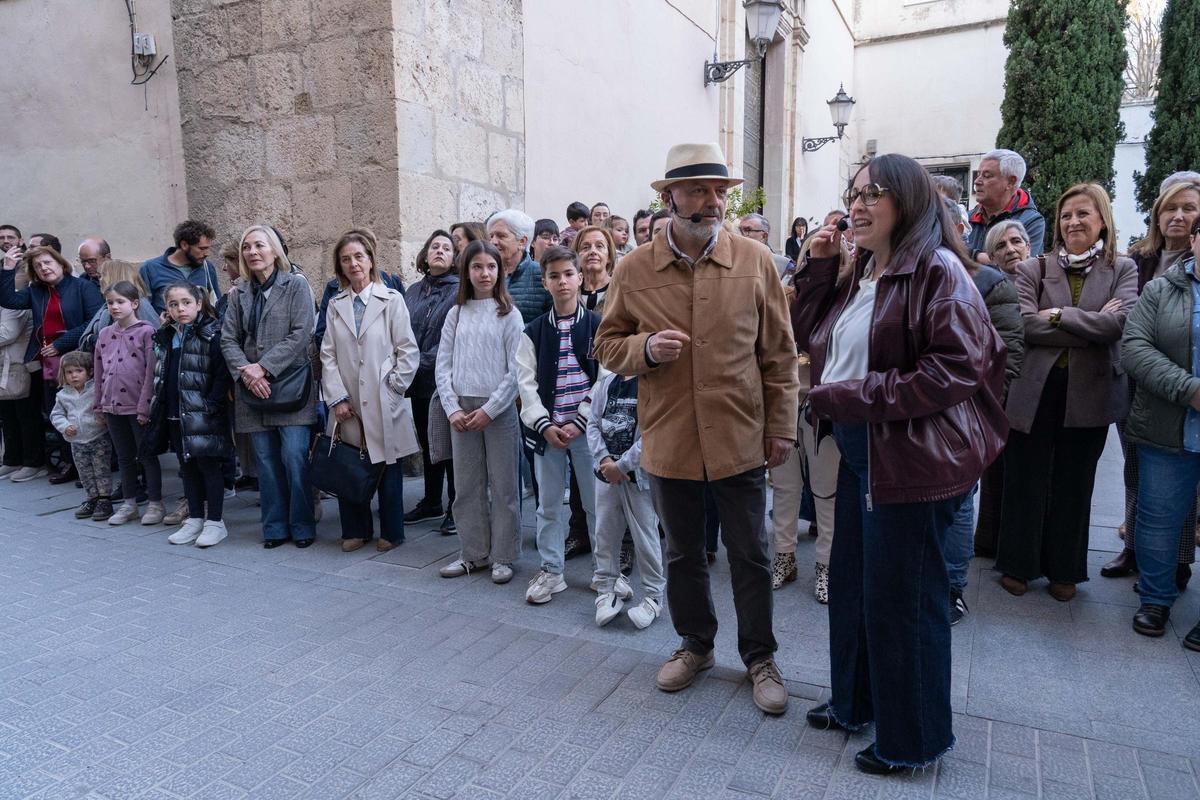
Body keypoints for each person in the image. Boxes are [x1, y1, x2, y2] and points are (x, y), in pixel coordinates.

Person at [792, 153, 1007, 774]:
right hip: (866, 449)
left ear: (907, 202)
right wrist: (822, 268)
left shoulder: (936, 268)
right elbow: (813, 338)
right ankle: (856, 701)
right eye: (853, 193)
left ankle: (911, 741)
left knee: (906, 601)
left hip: (914, 459)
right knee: (857, 586)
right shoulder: (866, 269)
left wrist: (850, 397)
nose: (857, 206)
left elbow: (955, 370)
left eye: (873, 195)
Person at [594, 142, 798, 717]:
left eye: (719, 192)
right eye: (699, 190)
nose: (712, 201)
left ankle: (760, 657)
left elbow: (780, 354)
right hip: (670, 437)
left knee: (752, 554)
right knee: (683, 553)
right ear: (670, 197)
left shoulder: (756, 260)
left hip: (740, 435)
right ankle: (696, 646)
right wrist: (646, 350)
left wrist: (780, 426)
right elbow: (606, 345)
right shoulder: (634, 269)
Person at [996, 183, 1137, 600]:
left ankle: (1064, 570)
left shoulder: (1123, 269)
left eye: (1083, 214)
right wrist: (1089, 323)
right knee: (1025, 478)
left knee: (1076, 482)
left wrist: (1057, 316)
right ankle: (1018, 564)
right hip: (1034, 391)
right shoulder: (1032, 269)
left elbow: (1118, 326)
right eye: (1066, 215)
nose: (1073, 222)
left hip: (1089, 393)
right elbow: (1024, 324)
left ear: (1102, 221)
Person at [1103, 179, 1200, 586]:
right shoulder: (1137, 260)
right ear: (1157, 215)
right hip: (1138, 382)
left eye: (1189, 208)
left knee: (1180, 481)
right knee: (1137, 470)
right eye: (1169, 208)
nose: (1178, 216)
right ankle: (1135, 548)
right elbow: (1121, 317)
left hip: (1185, 391)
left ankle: (1176, 559)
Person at [936, 196, 1025, 624]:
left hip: (964, 417)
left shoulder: (987, 281)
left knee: (958, 505)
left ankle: (952, 588)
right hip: (913, 417)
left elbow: (1008, 355)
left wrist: (979, 410)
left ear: (958, 230)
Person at [1121, 217, 1200, 648]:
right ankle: (1155, 599)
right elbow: (1135, 348)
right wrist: (1189, 390)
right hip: (1168, 425)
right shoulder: (1160, 289)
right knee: (1158, 519)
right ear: (1194, 240)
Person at [321, 230, 420, 553]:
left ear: (371, 259)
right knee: (350, 465)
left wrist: (393, 387)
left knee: (387, 468)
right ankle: (355, 529)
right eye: (346, 259)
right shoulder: (336, 305)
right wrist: (337, 397)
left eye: (359, 257)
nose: (353, 264)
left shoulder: (391, 300)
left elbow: (408, 350)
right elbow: (327, 354)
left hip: (383, 397)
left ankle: (392, 532)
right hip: (347, 399)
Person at [221, 225, 317, 549]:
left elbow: (302, 333)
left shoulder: (296, 285)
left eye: (259, 245)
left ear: (275, 250)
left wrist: (263, 368)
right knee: (265, 462)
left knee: (294, 457)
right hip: (252, 390)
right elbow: (228, 338)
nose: (252, 252)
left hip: (290, 386)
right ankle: (274, 527)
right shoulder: (238, 293)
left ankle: (302, 523)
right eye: (246, 247)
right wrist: (248, 373)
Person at [519, 246, 604, 604]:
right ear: (545, 283)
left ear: (580, 278)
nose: (563, 281)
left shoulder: (598, 326)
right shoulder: (533, 331)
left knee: (597, 504)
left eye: (568, 274)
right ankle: (552, 571)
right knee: (549, 504)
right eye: (554, 276)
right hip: (548, 433)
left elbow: (604, 379)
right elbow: (525, 384)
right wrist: (545, 425)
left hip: (586, 432)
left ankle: (606, 572)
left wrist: (581, 421)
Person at [436, 240, 524, 584]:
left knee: (504, 487)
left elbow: (517, 370)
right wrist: (452, 407)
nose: (484, 273)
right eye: (477, 267)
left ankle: (503, 555)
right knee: (467, 486)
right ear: (466, 272)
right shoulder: (456, 313)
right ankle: (473, 553)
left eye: (491, 267)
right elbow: (443, 365)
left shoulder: (509, 314)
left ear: (499, 271)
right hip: (462, 409)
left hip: (497, 411)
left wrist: (490, 409)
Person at [0, 245, 104, 484]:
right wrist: (7, 269)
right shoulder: (36, 290)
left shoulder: (82, 287)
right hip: (50, 361)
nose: (44, 268)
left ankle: (92, 465)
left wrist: (62, 343)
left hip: (79, 358)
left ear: (60, 263)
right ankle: (70, 462)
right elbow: (8, 299)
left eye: (47, 262)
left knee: (84, 411)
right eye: (38, 266)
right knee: (60, 410)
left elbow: (94, 321)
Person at [144, 283, 234, 547]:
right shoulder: (166, 335)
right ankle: (194, 517)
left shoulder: (211, 334)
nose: (180, 309)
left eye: (185, 302)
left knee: (208, 466)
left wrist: (211, 404)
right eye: (173, 304)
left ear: (198, 303)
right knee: (187, 468)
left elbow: (221, 374)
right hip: (175, 412)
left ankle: (215, 521)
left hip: (203, 413)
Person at [973, 220, 1034, 561]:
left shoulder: (1043, 277)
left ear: (1028, 245)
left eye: (1017, 241)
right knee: (993, 470)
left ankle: (1016, 546)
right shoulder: (989, 286)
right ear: (993, 256)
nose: (1011, 249)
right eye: (1001, 245)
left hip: (1033, 391)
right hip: (998, 389)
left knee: (1023, 473)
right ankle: (986, 540)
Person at [588, 370, 664, 628]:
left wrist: (623, 465)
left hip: (638, 478)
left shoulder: (652, 381)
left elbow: (653, 432)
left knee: (645, 535)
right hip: (606, 475)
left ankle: (654, 595)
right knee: (605, 534)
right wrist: (604, 460)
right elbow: (593, 424)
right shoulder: (607, 383)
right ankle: (606, 587)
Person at [403, 230, 460, 534]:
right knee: (427, 443)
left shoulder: (459, 290)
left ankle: (455, 505)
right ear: (425, 255)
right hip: (417, 381)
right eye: (434, 246)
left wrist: (418, 362)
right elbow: (401, 330)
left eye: (446, 248)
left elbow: (451, 338)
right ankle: (431, 500)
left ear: (454, 258)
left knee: (447, 445)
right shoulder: (412, 291)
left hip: (443, 379)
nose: (439, 251)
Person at [93, 281, 163, 526]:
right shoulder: (104, 334)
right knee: (124, 456)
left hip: (137, 405)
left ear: (134, 304)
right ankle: (129, 503)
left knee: (146, 454)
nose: (114, 307)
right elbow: (99, 370)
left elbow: (150, 371)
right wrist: (98, 404)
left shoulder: (146, 332)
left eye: (120, 302)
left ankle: (155, 503)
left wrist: (145, 405)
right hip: (112, 405)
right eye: (110, 302)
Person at [49, 351, 112, 521]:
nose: (74, 376)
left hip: (98, 437)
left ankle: (105, 499)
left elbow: (104, 404)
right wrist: (65, 426)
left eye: (78, 371)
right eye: (69, 372)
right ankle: (91, 498)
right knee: (84, 471)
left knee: (101, 469)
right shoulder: (63, 395)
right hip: (77, 441)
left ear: (89, 372)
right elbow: (56, 415)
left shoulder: (95, 389)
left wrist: (103, 418)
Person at [967, 149, 1046, 263]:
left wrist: (971, 255)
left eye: (987, 175)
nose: (977, 181)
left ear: (1011, 182)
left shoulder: (1031, 221)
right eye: (978, 174)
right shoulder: (967, 218)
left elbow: (1020, 268)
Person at [0, 263, 39, 483]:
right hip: (7, 364)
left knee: (25, 415)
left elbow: (8, 332)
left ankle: (32, 462)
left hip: (20, 365)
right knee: (8, 415)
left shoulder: (15, 300)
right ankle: (12, 460)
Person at [487, 209, 553, 324]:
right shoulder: (484, 274)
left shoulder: (542, 274)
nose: (493, 242)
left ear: (522, 241)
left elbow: (552, 321)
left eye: (501, 236)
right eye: (491, 236)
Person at [139, 220, 219, 313]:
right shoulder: (150, 268)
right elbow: (144, 308)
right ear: (184, 245)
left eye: (208, 248)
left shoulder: (207, 268)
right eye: (201, 248)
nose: (207, 253)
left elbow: (217, 304)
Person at [78, 261, 159, 353]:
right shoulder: (106, 305)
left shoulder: (139, 305)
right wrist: (91, 339)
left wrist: (97, 339)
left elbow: (153, 341)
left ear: (114, 277)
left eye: (102, 276)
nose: (99, 280)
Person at [574, 226, 616, 315]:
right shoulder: (570, 292)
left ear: (609, 256)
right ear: (577, 256)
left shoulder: (619, 290)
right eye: (585, 247)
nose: (593, 251)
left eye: (599, 246)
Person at [739, 213, 793, 279]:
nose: (740, 235)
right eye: (739, 230)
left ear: (764, 236)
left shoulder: (783, 265)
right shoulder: (732, 263)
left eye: (747, 230)